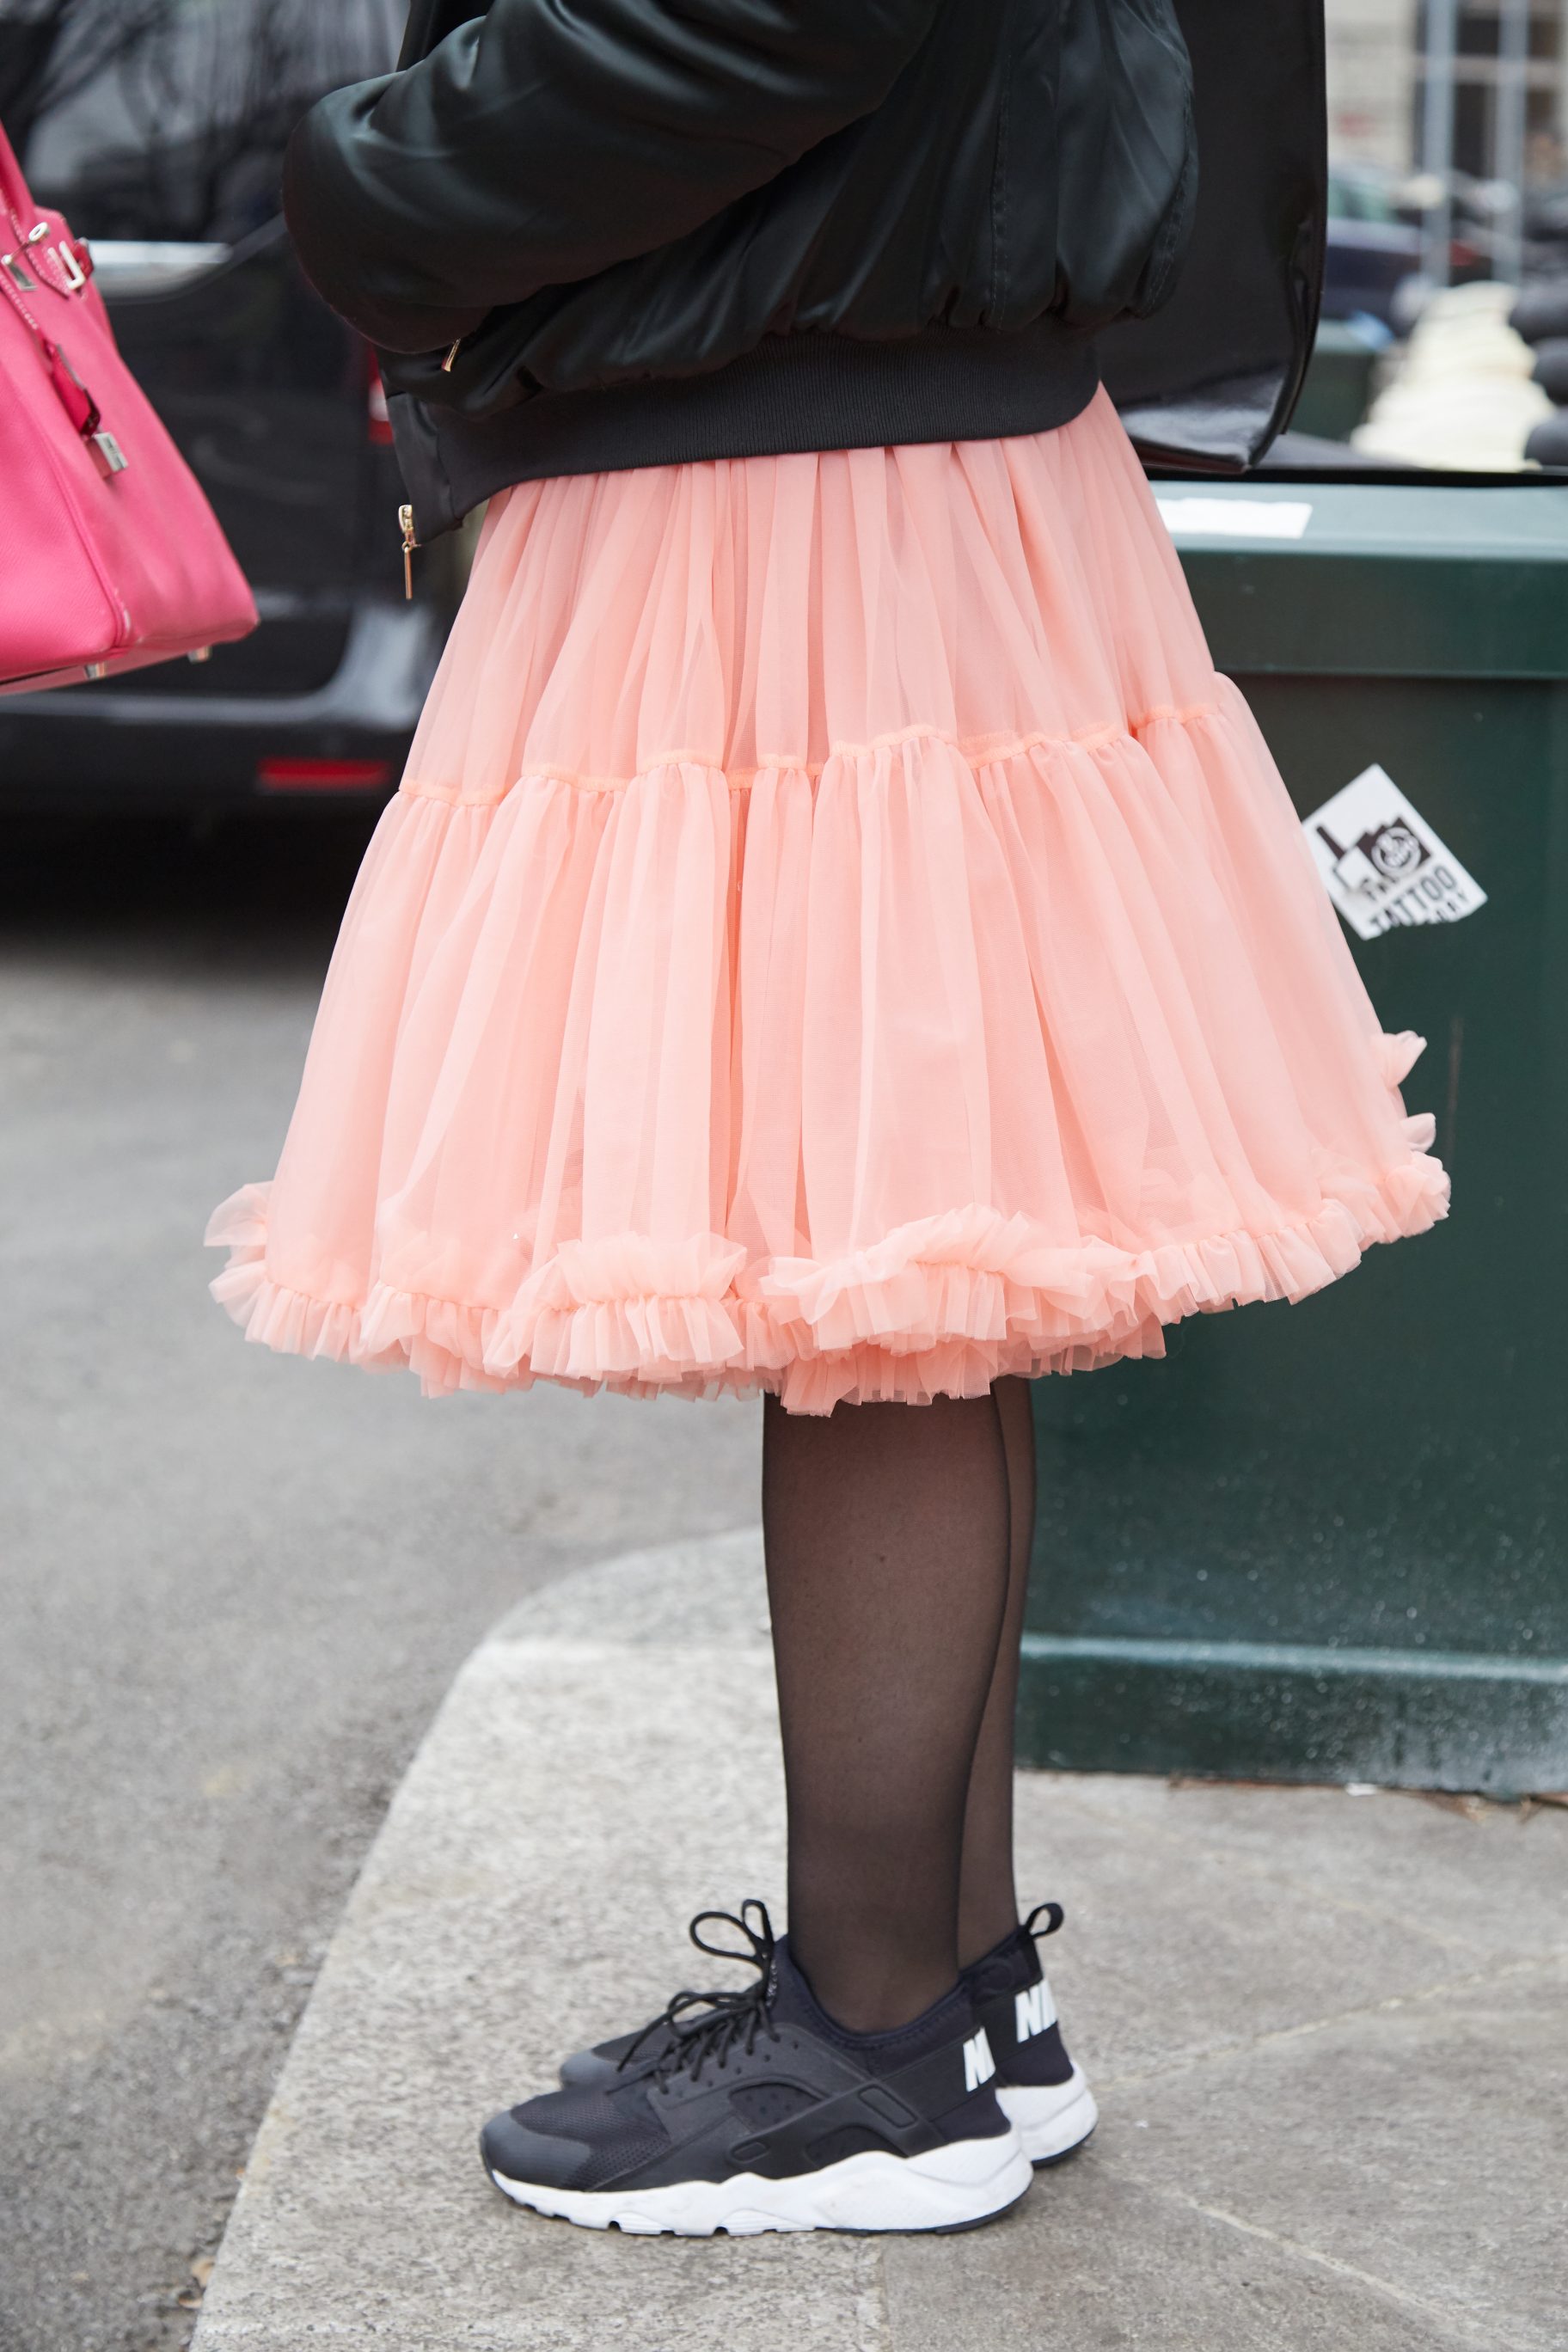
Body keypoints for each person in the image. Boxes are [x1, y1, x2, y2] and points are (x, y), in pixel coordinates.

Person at [205, 0, 1447, 2237]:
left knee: (871, 1256)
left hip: (802, 462)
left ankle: (877, 2048)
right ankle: (959, 2003)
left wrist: (371, 183)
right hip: (913, 443)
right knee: (916, 1255)